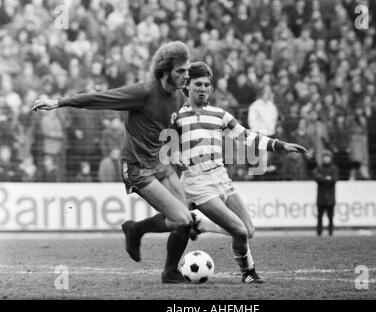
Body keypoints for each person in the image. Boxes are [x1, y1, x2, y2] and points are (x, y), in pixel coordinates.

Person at [32, 41, 220, 283]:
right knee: (182, 219)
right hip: (137, 168)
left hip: (160, 162)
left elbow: (170, 128)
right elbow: (100, 98)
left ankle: (170, 272)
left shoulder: (177, 97)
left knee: (187, 219)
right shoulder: (142, 92)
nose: (186, 75)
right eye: (180, 71)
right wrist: (59, 102)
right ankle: (135, 229)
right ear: (164, 70)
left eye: (186, 70)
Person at [172, 62, 308, 283]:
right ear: (187, 86)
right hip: (197, 183)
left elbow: (248, 136)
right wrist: (174, 155)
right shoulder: (176, 117)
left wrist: (281, 145)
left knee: (248, 230)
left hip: (222, 179)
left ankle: (200, 224)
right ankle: (248, 273)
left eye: (207, 84)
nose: (204, 88)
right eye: (199, 84)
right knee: (239, 230)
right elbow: (161, 140)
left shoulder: (220, 115)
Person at [312, 150, 339, 236]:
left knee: (330, 217)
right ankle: (319, 233)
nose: (326, 159)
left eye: (328, 157)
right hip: (321, 197)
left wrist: (323, 179)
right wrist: (327, 179)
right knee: (319, 217)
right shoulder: (319, 168)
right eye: (325, 157)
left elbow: (334, 180)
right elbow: (316, 178)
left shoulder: (334, 168)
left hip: (331, 197)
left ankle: (330, 233)